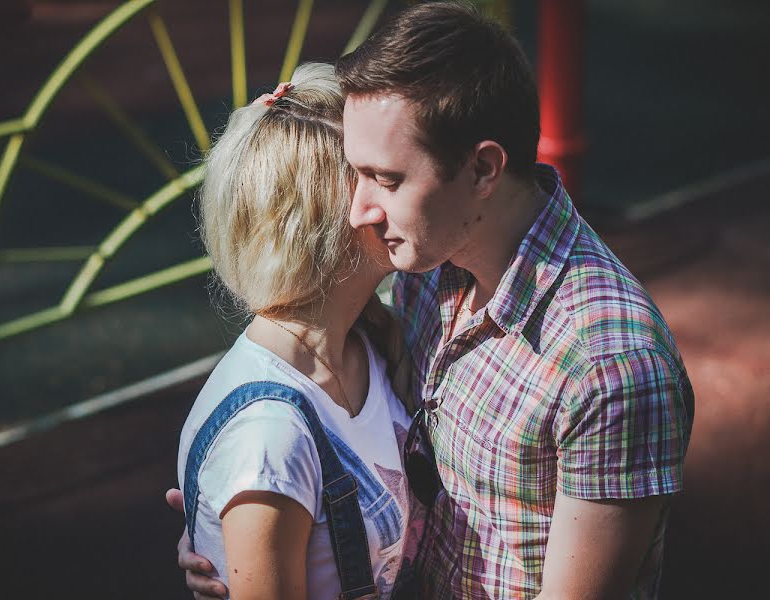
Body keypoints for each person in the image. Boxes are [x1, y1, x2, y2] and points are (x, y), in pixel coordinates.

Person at [174, 2, 695, 599]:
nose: (358, 210)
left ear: (481, 170)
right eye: (356, 174)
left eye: (387, 180)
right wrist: (237, 533)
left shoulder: (610, 368)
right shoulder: (427, 260)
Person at [175, 62, 427, 600]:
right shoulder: (267, 439)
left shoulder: (365, 341)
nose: (403, 191)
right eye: (380, 177)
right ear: (323, 219)